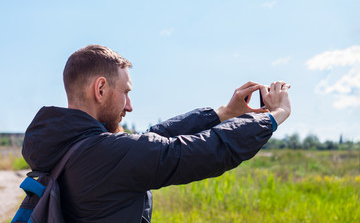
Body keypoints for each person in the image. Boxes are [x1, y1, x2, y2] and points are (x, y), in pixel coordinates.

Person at [22, 44, 291, 223]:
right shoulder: (106, 154)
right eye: (126, 92)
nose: (129, 105)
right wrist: (274, 116)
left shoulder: (64, 145)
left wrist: (222, 113)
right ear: (100, 89)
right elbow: (205, 150)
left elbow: (150, 139)